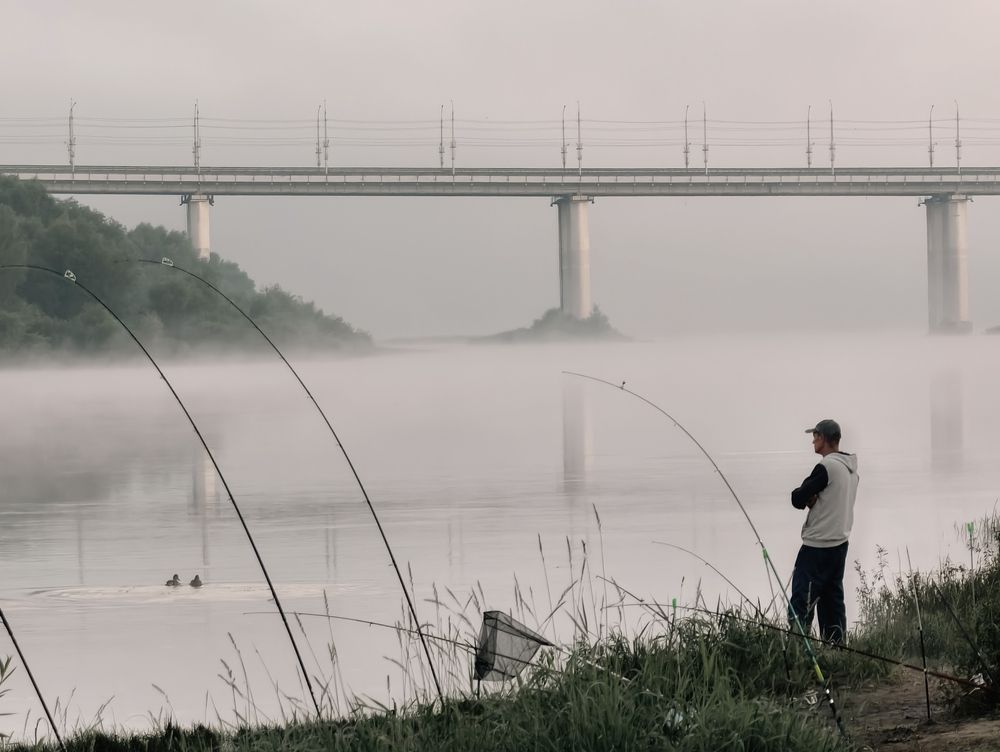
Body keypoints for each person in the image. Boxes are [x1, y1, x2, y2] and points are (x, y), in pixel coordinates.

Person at [789, 419, 859, 644]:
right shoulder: (851, 471)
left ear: (825, 439)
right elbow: (831, 501)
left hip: (816, 548)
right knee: (832, 603)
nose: (813, 441)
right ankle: (837, 649)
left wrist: (807, 498)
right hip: (839, 545)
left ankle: (799, 649)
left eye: (815, 436)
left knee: (802, 602)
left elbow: (797, 498)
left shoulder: (827, 467)